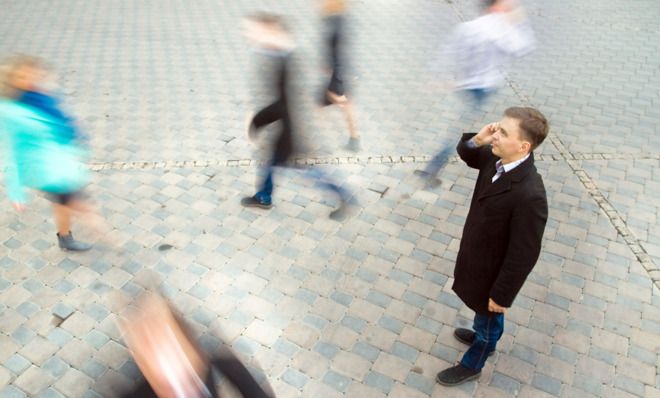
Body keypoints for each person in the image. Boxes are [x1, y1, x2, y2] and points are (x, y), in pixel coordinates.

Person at [435, 107, 548, 386]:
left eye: (503, 133)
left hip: (494, 274)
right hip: (478, 259)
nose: (495, 135)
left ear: (524, 146)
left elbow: (525, 254)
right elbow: (469, 153)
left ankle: (474, 361)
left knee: (489, 317)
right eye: (498, 127)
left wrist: (502, 295)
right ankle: (482, 333)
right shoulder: (497, 158)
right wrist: (479, 138)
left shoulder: (530, 194)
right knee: (482, 311)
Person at [240, 13, 354, 220]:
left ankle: (343, 194)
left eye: (254, 30)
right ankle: (263, 196)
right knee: (270, 162)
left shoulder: (286, 59)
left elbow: (285, 103)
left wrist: (257, 121)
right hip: (287, 127)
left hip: (292, 131)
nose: (249, 35)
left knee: (307, 170)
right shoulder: (277, 54)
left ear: (271, 31)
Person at [418, 0, 535, 187]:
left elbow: (448, 53)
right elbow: (523, 47)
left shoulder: (468, 28)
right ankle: (434, 168)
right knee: (457, 132)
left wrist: (437, 78)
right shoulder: (501, 30)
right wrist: (518, 20)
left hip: (462, 86)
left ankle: (437, 164)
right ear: (496, 6)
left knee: (455, 127)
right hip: (482, 89)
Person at [0, 55, 100, 251]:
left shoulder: (40, 95)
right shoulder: (11, 110)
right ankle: (114, 246)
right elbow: (10, 151)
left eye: (33, 74)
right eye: (23, 76)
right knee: (84, 209)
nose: (30, 79)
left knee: (63, 203)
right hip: (46, 168)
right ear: (12, 80)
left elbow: (60, 120)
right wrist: (15, 191)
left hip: (60, 161)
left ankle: (65, 237)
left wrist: (74, 132)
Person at [117, 292, 273, 397]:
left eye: (170, 345)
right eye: (148, 349)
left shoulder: (228, 368)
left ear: (188, 342)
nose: (164, 362)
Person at [318, 0, 360, 152]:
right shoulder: (335, 19)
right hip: (339, 72)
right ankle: (354, 138)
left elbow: (338, 52)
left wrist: (336, 73)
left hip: (338, 73)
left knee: (341, 103)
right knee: (340, 104)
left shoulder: (336, 22)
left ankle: (352, 138)